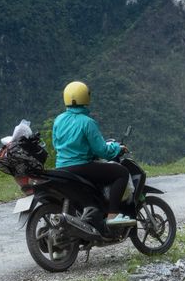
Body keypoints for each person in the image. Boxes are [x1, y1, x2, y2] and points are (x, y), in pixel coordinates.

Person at [52, 81, 134, 226]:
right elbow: (102, 150)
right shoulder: (87, 122)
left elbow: (56, 144)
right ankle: (112, 215)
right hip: (81, 167)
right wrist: (117, 148)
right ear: (86, 97)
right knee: (121, 172)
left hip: (61, 168)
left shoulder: (58, 120)